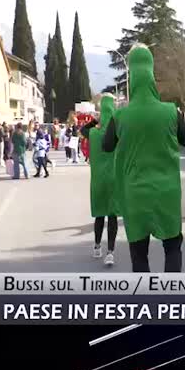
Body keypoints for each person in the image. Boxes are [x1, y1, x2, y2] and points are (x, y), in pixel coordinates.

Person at [103, 44, 185, 272]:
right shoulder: (171, 111)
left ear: (132, 77)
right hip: (167, 193)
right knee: (173, 247)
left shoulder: (120, 116)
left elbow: (106, 146)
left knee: (139, 254)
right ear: (151, 75)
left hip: (135, 194)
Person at [83, 94, 119, 266]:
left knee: (99, 215)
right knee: (112, 216)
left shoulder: (93, 134)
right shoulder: (117, 135)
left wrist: (95, 121)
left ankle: (97, 247)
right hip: (114, 181)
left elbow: (82, 130)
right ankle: (110, 251)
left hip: (97, 181)